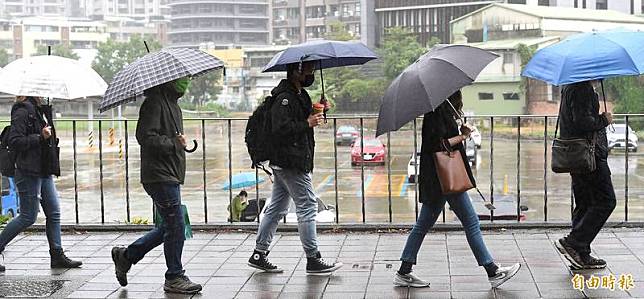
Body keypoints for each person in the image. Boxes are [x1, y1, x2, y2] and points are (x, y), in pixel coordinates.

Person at [394, 91, 520, 288]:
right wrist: (462, 135)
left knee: (422, 226)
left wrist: (460, 129)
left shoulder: (440, 111)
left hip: (439, 180)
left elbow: (443, 138)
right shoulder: (437, 113)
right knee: (471, 222)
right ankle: (492, 271)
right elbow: (440, 144)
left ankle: (404, 271)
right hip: (444, 179)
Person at [248, 61, 342, 275]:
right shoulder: (284, 98)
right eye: (308, 70)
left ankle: (258, 254)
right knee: (308, 205)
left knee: (277, 208)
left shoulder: (299, 95)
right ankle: (313, 259)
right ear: (296, 71)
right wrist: (307, 123)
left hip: (290, 160)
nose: (312, 74)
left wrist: (319, 110)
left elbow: (302, 118)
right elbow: (280, 129)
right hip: (290, 160)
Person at [111, 78, 202, 294]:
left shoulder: (172, 105)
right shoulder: (154, 103)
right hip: (158, 175)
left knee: (169, 226)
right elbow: (145, 137)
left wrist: (178, 144)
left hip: (170, 173)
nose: (185, 83)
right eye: (182, 80)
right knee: (176, 225)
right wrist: (173, 143)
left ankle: (126, 256)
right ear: (170, 80)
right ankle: (174, 276)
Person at [0, 96, 82, 271]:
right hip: (28, 171)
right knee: (28, 216)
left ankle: (57, 255)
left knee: (54, 213)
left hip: (43, 169)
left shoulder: (40, 111)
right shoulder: (23, 111)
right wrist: (40, 137)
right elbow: (15, 141)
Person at [555, 80, 615, 270]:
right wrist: (604, 120)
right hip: (589, 155)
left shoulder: (571, 87)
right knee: (606, 201)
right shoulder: (582, 89)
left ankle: (581, 254)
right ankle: (574, 242)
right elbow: (583, 121)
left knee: (585, 203)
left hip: (577, 153)